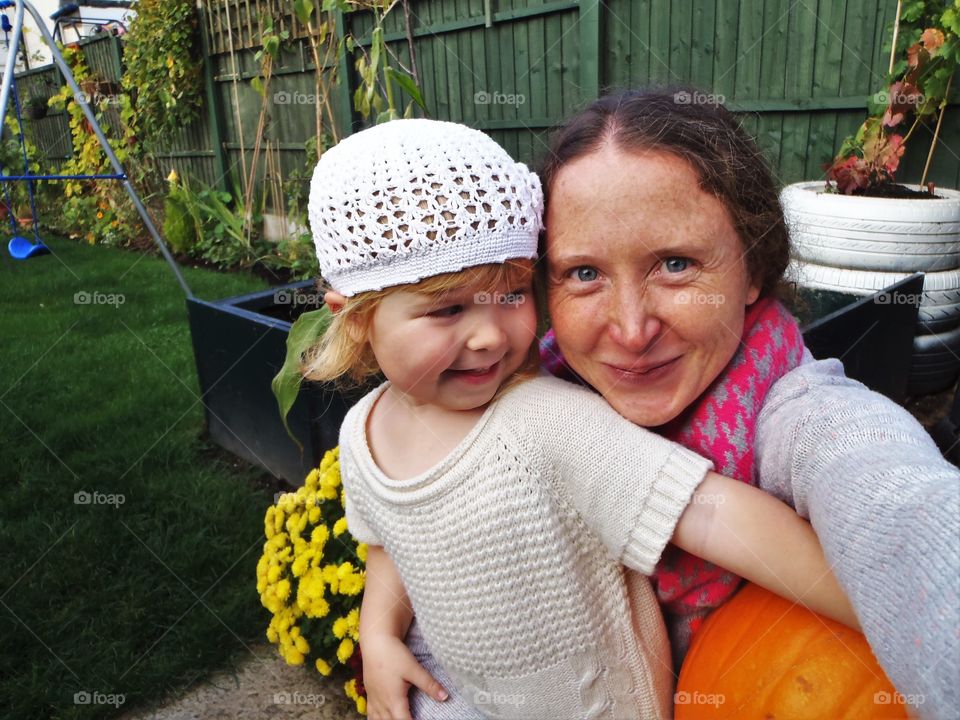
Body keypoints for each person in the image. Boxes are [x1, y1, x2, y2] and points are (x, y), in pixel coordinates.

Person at [303, 118, 858, 720]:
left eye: (512, 294)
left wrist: (881, 605)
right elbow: (388, 544)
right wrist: (379, 636)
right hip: (470, 698)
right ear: (355, 318)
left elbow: (707, 513)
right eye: (448, 310)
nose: (490, 335)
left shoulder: (544, 420)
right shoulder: (362, 435)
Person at [532, 89, 957, 716]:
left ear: (753, 268)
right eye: (584, 274)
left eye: (675, 264)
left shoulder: (795, 412)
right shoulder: (537, 398)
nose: (630, 329)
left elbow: (889, 492)